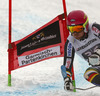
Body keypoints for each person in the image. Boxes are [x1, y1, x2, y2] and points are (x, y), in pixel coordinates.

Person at [61, 10, 100, 91]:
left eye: (78, 29)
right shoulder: (71, 42)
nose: (75, 33)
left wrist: (98, 52)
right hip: (98, 66)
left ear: (85, 27)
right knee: (88, 74)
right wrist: (67, 80)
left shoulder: (94, 28)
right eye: (71, 29)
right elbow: (67, 65)